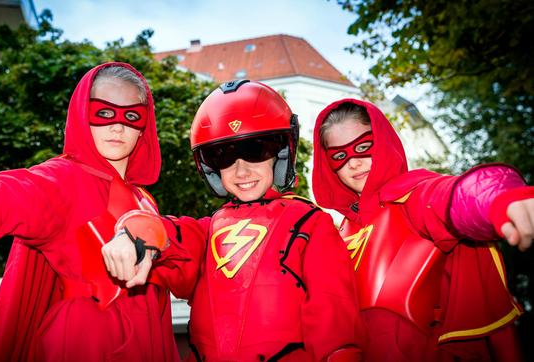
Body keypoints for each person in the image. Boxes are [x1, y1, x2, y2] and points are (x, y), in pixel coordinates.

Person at [0, 62, 180, 361]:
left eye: (132, 116)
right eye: (103, 112)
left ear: (145, 125)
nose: (117, 126)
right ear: (83, 113)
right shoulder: (63, 179)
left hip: (146, 344)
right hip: (84, 343)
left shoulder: (145, 200)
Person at [103, 80, 367, 361]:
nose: (241, 171)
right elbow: (173, 234)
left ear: (280, 154)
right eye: (224, 155)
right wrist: (132, 233)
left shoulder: (312, 223)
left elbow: (335, 321)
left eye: (256, 150)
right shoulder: (208, 229)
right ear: (211, 167)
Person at [312, 98, 533, 361]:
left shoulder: (411, 194)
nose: (354, 162)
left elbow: (452, 196)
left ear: (382, 143)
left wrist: (497, 196)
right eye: (339, 155)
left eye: (363, 147)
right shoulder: (340, 232)